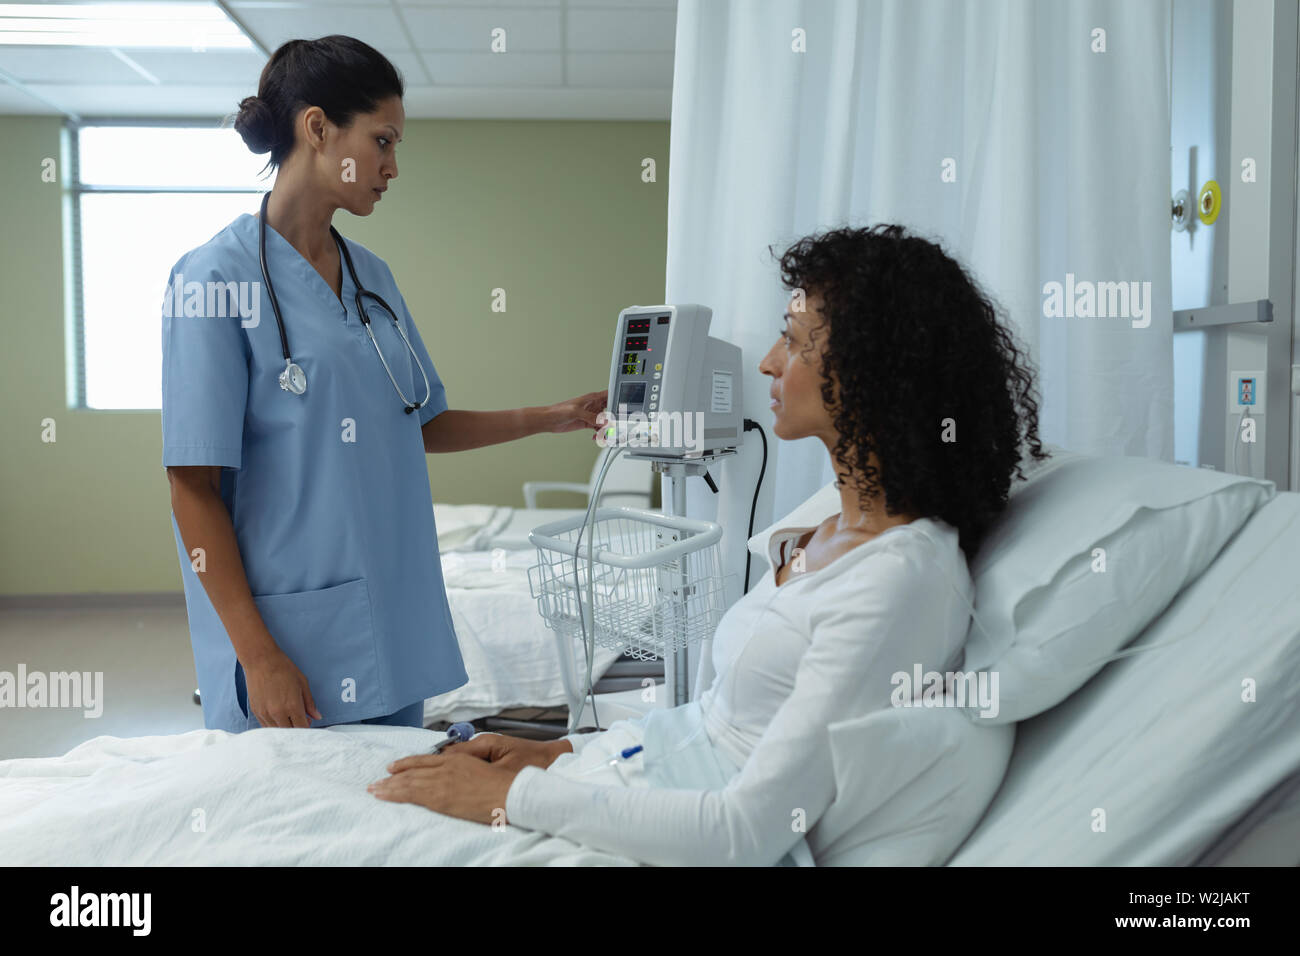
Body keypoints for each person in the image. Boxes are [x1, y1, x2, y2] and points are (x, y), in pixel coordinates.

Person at [368, 223, 1049, 866]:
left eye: (794, 341)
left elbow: (747, 831)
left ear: (873, 369)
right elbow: (709, 726)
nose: (769, 361)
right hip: (637, 775)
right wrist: (557, 754)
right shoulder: (824, 531)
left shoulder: (899, 583)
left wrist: (508, 799)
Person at [162, 35, 606, 734]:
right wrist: (258, 654)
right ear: (317, 129)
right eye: (383, 141)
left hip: (395, 622)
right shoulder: (211, 282)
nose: (394, 167)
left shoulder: (372, 276)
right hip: (293, 641)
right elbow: (192, 487)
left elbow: (418, 420)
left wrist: (550, 416)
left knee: (389, 830)